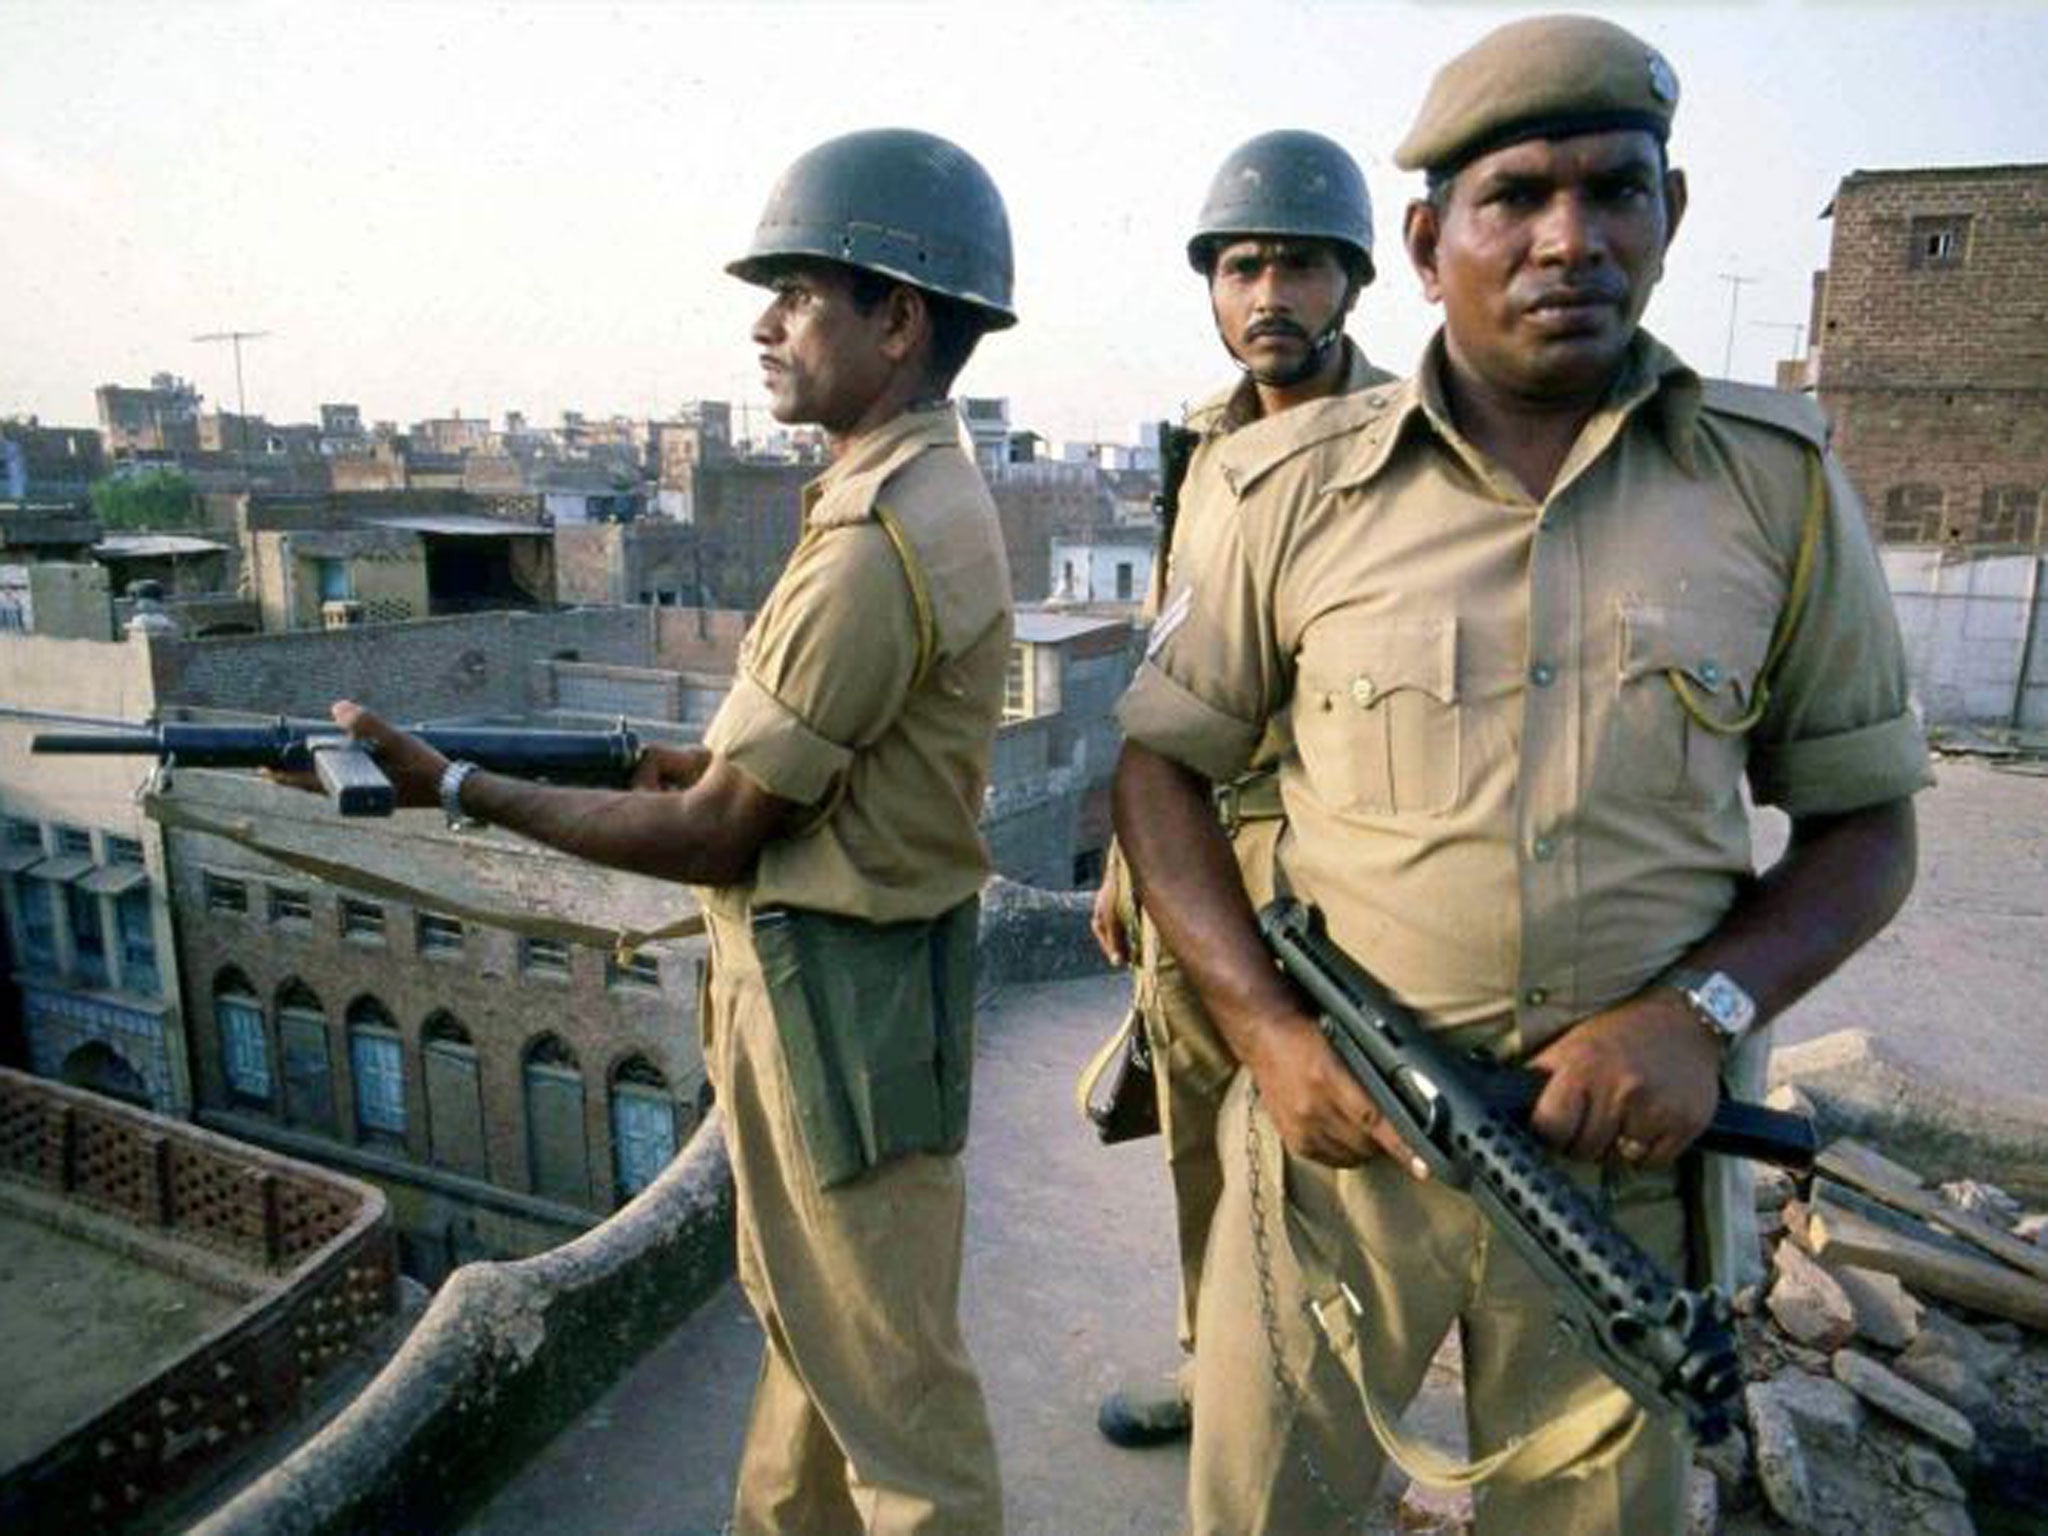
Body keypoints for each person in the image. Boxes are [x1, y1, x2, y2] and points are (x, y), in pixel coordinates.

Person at [1111, 16, 1929, 1535]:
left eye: (1618, 191)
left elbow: (1867, 828)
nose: (1573, 240)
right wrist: (1267, 1031)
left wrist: (1704, 1015)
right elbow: (1163, 770)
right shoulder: (1289, 489)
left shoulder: (1777, 488)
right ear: (1428, 245)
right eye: (1519, 199)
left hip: (1618, 1179)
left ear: (1670, 219)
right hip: (1338, 1156)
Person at [315, 128, 1017, 1536]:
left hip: (843, 1012)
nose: (766, 325)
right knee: (815, 1346)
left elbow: (719, 830)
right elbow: (789, 765)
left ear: (901, 320)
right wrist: (649, 758)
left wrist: (462, 790)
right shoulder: (897, 501)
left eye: (803, 293)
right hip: (833, 997)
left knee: (901, 1424)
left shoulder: (879, 542)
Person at [1088, 129, 1394, 1450]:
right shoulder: (1203, 446)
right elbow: (1173, 655)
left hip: (1315, 864)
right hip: (1187, 852)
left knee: (1321, 1161)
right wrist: (1123, 859)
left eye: (1300, 267)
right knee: (1200, 1141)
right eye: (1242, 267)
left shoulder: (1399, 445)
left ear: (1354, 282)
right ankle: (1218, 1375)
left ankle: (1320, 1418)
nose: (1269, 296)